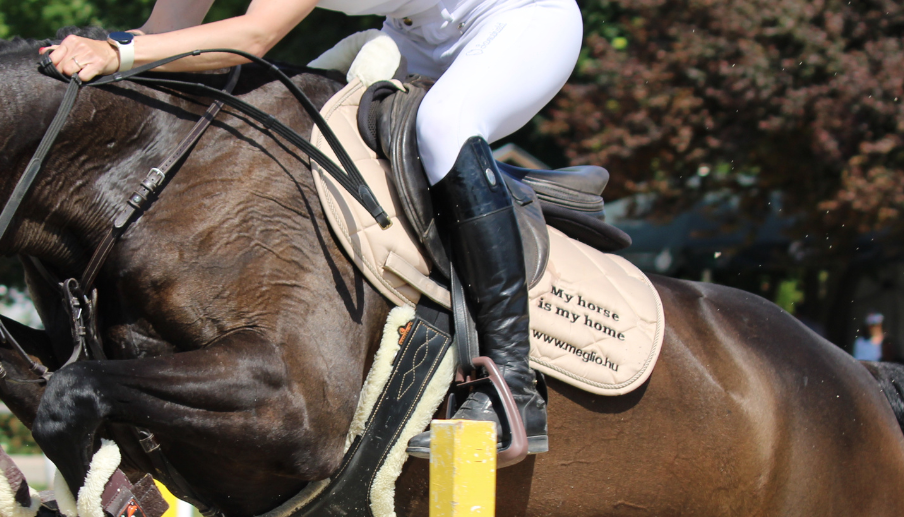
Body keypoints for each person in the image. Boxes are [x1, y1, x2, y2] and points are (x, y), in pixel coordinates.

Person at [43, 0, 582, 455]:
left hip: (518, 21)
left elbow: (252, 37)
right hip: (414, 36)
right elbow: (160, 38)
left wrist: (114, 52)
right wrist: (85, 53)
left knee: (443, 125)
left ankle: (515, 386)